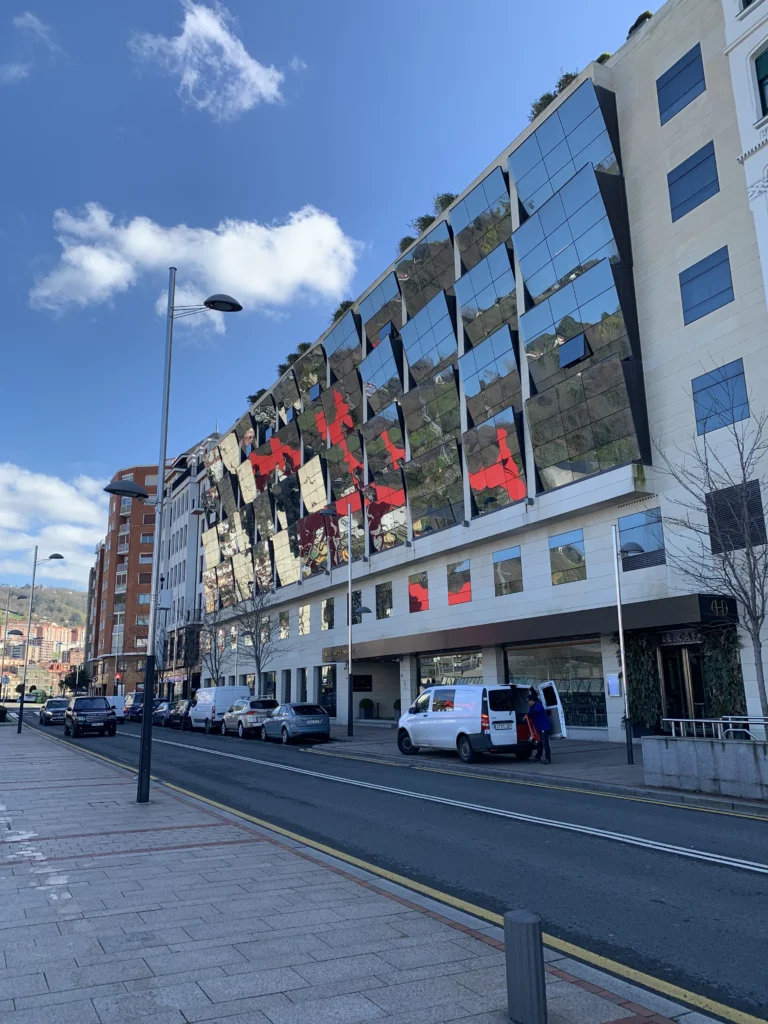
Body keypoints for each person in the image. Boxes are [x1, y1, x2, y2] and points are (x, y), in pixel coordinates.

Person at [527, 693, 552, 764]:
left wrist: (529, 714)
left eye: (528, 701)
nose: (528, 703)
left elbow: (535, 711)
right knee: (539, 743)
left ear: (532, 701)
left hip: (544, 727)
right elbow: (530, 715)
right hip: (539, 728)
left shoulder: (538, 705)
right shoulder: (532, 707)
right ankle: (538, 757)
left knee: (545, 744)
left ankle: (548, 759)